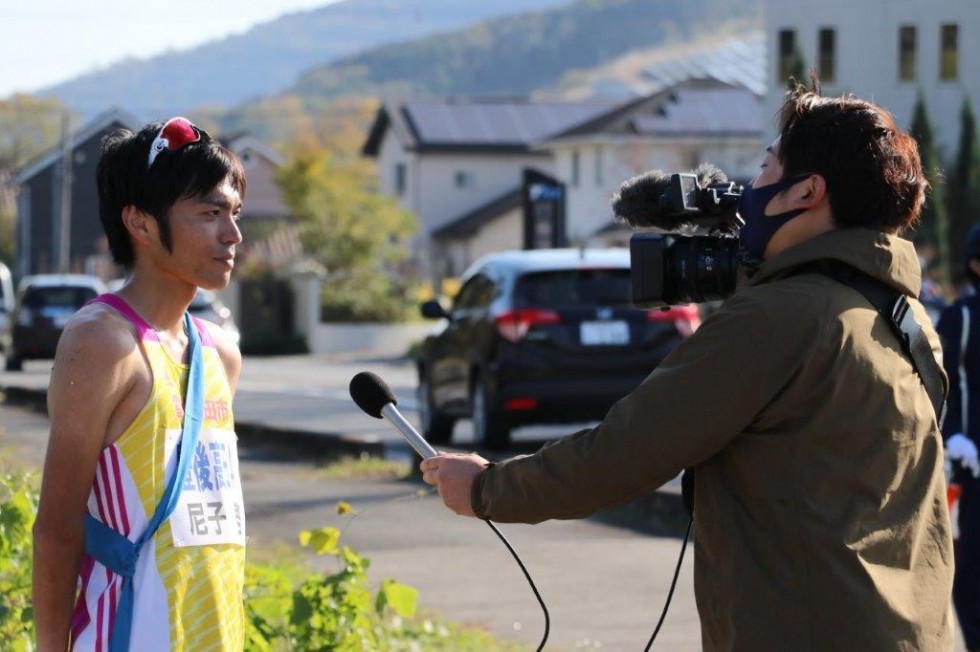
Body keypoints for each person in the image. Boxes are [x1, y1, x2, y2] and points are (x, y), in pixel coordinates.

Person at [421, 82, 955, 651]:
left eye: (765, 169)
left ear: (807, 191)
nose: (749, 191)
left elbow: (626, 451)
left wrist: (486, 488)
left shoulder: (780, 318)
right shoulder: (905, 318)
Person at [32, 117, 247, 650]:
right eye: (209, 213)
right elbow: (57, 528)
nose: (233, 235)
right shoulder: (102, 341)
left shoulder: (221, 353)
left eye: (234, 213)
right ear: (141, 223)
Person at [937, 223, 980, 651]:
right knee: (969, 577)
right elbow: (939, 385)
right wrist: (954, 437)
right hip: (970, 468)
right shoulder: (962, 315)